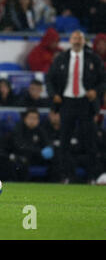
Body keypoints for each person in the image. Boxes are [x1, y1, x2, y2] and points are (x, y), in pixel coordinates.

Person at [46, 30, 105, 184]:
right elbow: (49, 79)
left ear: (84, 41)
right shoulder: (61, 58)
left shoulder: (93, 58)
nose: (77, 41)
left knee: (89, 141)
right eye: (74, 38)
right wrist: (54, 95)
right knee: (64, 141)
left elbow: (103, 80)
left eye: (80, 39)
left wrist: (96, 91)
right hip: (67, 102)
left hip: (86, 102)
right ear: (70, 40)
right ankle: (67, 176)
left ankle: (92, 176)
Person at [10, 108, 51, 181]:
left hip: (36, 157)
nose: (32, 121)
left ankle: (56, 182)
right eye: (30, 118)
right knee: (21, 162)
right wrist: (39, 151)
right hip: (23, 157)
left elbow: (47, 144)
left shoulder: (40, 131)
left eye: (35, 118)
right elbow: (19, 147)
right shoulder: (19, 129)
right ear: (25, 119)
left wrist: (49, 149)